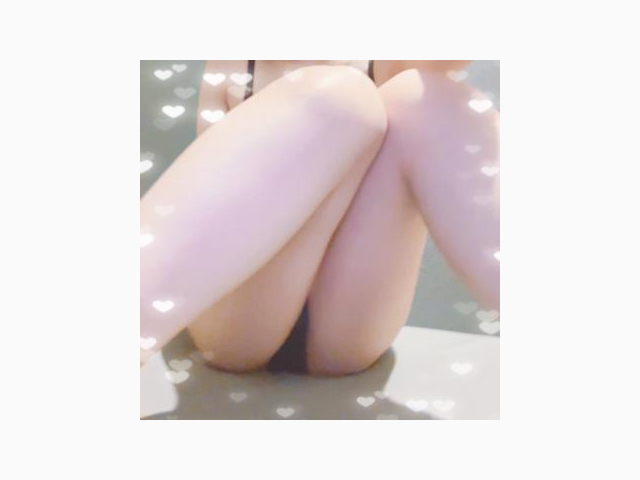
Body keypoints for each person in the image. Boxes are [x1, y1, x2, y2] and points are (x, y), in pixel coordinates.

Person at [140, 60, 499, 375]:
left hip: (350, 315)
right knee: (338, 95)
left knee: (424, 97)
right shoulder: (233, 60)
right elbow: (214, 197)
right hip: (242, 313)